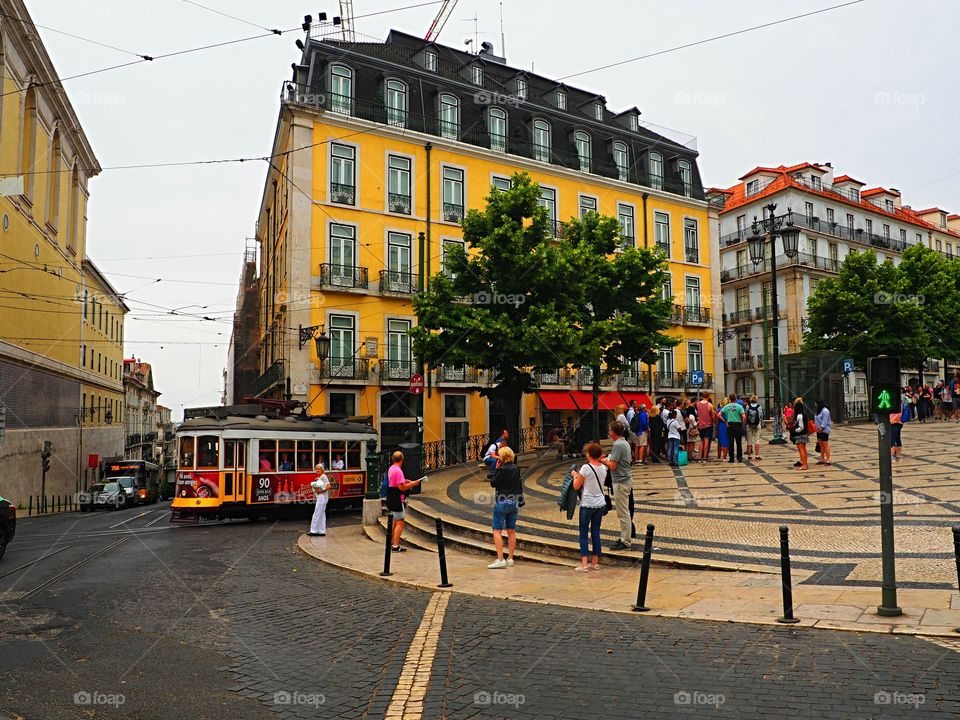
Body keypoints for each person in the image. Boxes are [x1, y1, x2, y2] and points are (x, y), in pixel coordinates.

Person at [571, 442, 608, 572]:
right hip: (600, 504)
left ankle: (584, 564)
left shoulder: (586, 468)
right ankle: (595, 562)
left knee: (583, 533)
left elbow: (576, 486)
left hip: (587, 504)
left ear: (589, 454)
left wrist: (575, 475)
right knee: (596, 532)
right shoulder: (604, 468)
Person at [488, 446, 522, 569]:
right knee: (511, 530)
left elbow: (493, 483)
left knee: (497, 530)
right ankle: (511, 558)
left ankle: (500, 559)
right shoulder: (515, 468)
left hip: (502, 502)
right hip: (513, 503)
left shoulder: (502, 470)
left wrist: (496, 469)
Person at [603, 421, 633, 551]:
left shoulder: (618, 445)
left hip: (620, 482)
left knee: (622, 513)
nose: (608, 432)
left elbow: (613, 466)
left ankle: (626, 541)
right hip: (625, 480)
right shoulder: (624, 442)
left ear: (613, 432)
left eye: (609, 430)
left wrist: (603, 461)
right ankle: (624, 537)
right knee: (624, 511)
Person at [386, 450, 423, 552]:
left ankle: (391, 542)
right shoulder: (398, 470)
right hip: (397, 498)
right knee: (400, 522)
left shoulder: (391, 468)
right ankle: (395, 545)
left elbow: (396, 483)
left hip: (391, 496)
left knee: (394, 521)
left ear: (393, 459)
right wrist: (414, 484)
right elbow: (401, 488)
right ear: (402, 459)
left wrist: (404, 481)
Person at [720, 393, 745, 463]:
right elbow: (744, 417)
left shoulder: (726, 406)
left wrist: (725, 421)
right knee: (738, 442)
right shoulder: (739, 406)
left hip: (730, 425)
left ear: (730, 399)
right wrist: (742, 424)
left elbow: (719, 415)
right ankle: (739, 458)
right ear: (735, 399)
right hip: (738, 425)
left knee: (730, 442)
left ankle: (731, 458)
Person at [308, 462, 331, 536]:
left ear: (322, 470)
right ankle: (321, 531)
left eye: (319, 469)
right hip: (322, 497)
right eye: (316, 469)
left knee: (316, 513)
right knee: (321, 513)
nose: (317, 470)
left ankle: (313, 531)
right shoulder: (320, 477)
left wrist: (321, 490)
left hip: (322, 497)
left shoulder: (323, 476)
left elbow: (328, 486)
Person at [790, 398, 810, 470]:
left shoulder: (799, 415)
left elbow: (801, 426)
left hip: (800, 435)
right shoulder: (804, 413)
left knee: (801, 450)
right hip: (804, 434)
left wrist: (795, 430)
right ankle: (805, 464)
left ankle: (804, 465)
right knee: (804, 449)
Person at [695, 394, 715, 463]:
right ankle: (705, 457)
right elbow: (713, 416)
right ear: (708, 396)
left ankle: (699, 457)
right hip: (708, 425)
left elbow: (698, 414)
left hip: (701, 425)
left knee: (701, 441)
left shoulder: (698, 404)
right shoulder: (710, 405)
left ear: (702, 396)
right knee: (706, 441)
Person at [744, 395, 764, 461]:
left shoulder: (747, 406)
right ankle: (757, 456)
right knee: (757, 440)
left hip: (749, 425)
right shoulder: (759, 407)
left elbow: (746, 415)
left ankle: (749, 456)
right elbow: (761, 416)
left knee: (749, 440)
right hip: (757, 424)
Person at [815, 400, 832, 465]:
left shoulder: (825, 411)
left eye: (816, 403)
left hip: (824, 430)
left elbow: (824, 421)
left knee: (825, 444)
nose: (815, 404)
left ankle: (828, 459)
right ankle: (822, 459)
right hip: (818, 430)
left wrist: (821, 429)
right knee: (821, 444)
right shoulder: (818, 411)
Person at [716, 396, 729, 462]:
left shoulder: (718, 409)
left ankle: (719, 456)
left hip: (720, 426)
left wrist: (716, 428)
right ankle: (724, 457)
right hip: (725, 426)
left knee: (719, 442)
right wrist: (725, 421)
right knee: (725, 442)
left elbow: (717, 420)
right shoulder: (727, 409)